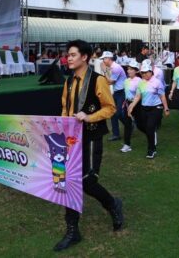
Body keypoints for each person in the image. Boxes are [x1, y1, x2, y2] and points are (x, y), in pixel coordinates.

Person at [54, 40, 123, 252]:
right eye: (68, 55)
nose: (68, 58)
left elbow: (110, 108)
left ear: (84, 57)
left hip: (91, 137)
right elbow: (65, 108)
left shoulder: (98, 80)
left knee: (88, 181)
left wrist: (89, 117)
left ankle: (112, 204)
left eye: (73, 55)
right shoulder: (68, 81)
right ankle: (72, 230)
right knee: (68, 181)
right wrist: (63, 125)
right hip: (71, 140)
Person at [127, 60, 169, 159]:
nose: (144, 74)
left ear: (151, 72)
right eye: (142, 73)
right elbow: (138, 96)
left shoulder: (157, 82)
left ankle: (151, 150)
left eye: (146, 72)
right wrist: (131, 106)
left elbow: (162, 96)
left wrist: (166, 108)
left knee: (150, 127)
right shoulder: (141, 83)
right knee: (140, 126)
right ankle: (152, 134)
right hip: (144, 107)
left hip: (156, 108)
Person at [101, 51, 127, 142]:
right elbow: (110, 82)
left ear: (109, 59)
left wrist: (104, 71)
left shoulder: (116, 68)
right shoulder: (113, 67)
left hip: (121, 92)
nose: (103, 61)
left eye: (104, 58)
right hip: (117, 92)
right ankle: (116, 134)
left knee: (118, 113)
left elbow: (110, 81)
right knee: (113, 113)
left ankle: (128, 125)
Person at [121, 60, 141, 153]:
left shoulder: (139, 81)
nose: (128, 71)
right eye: (128, 69)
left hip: (137, 104)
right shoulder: (126, 81)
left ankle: (152, 135)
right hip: (127, 104)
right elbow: (126, 93)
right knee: (127, 124)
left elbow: (139, 95)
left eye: (131, 69)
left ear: (136, 71)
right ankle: (127, 144)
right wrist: (125, 103)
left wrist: (133, 105)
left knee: (141, 124)